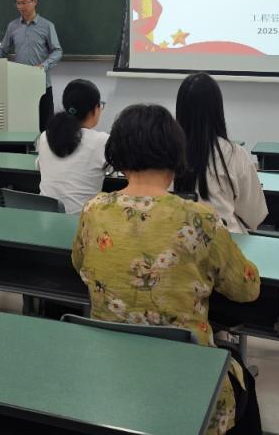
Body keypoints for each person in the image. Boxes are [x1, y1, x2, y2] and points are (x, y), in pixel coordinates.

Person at [72, 104, 261, 435]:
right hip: (187, 376)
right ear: (175, 154)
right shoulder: (199, 218)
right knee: (242, 381)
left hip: (110, 369)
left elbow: (79, 264)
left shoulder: (93, 210)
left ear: (118, 155)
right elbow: (247, 289)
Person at [175, 73, 268, 234]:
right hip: (225, 240)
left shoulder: (166, 153)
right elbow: (255, 215)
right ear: (217, 110)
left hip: (176, 242)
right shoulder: (234, 154)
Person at [0, 0, 62, 131]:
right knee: (21, 127)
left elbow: (57, 51)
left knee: (45, 128)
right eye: (18, 3)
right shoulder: (12, 26)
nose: (20, 7)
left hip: (42, 85)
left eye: (24, 3)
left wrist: (44, 65)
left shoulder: (47, 26)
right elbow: (3, 50)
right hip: (19, 85)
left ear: (34, 2)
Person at [35, 79, 108, 213]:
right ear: (94, 109)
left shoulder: (45, 136)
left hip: (44, 219)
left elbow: (39, 165)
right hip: (81, 221)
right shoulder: (101, 141)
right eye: (100, 105)